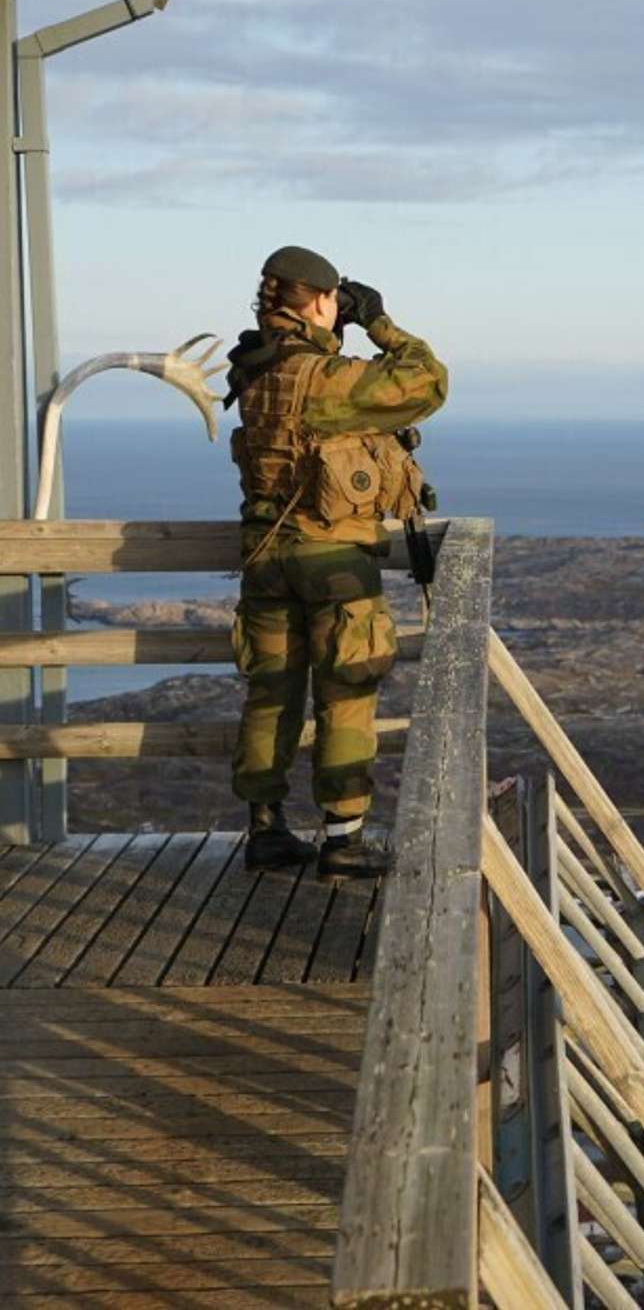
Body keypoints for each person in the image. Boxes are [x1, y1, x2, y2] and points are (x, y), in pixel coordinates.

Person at [225, 245, 448, 875]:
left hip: (265, 561)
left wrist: (328, 327)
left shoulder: (254, 369)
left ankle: (265, 831)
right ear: (321, 300)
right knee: (346, 694)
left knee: (271, 695)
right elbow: (428, 380)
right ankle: (342, 839)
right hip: (334, 561)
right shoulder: (327, 381)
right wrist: (377, 320)